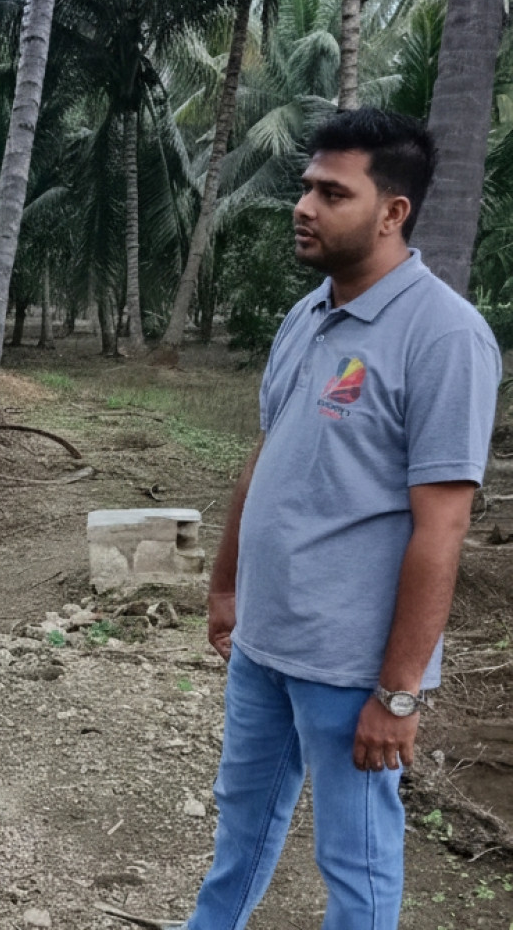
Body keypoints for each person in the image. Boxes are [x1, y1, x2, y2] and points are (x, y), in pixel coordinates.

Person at [180, 108, 500, 929]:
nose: (304, 206)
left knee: (355, 863)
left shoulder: (443, 336)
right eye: (305, 188)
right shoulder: (307, 314)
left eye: (331, 192)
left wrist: (396, 695)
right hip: (265, 645)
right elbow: (266, 458)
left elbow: (442, 529)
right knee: (240, 829)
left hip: (350, 665)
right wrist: (225, 586)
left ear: (393, 212)